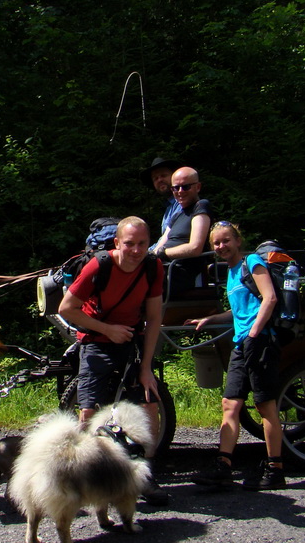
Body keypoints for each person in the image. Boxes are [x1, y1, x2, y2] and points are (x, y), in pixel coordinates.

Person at [58, 216, 169, 506]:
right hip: (97, 341)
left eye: (142, 244)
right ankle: (86, 479)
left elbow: (155, 316)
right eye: (129, 244)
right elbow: (67, 308)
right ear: (117, 243)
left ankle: (144, 477)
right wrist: (108, 330)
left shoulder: (152, 266)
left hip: (131, 340)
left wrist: (146, 368)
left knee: (148, 404)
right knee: (88, 414)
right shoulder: (100, 265)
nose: (136, 250)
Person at [185, 221, 287, 491]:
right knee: (230, 405)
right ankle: (223, 467)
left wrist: (254, 332)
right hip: (241, 344)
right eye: (217, 243)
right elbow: (239, 312)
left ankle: (275, 469)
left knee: (266, 407)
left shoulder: (252, 262)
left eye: (226, 240)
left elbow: (270, 298)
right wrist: (209, 319)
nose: (221, 246)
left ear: (238, 240)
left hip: (260, 341)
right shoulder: (231, 272)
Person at [151, 166, 213, 297]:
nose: (180, 191)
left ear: (198, 187)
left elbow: (195, 247)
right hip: (164, 267)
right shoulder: (177, 214)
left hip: (179, 271)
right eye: (175, 188)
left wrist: (162, 253)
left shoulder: (200, 206)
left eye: (185, 187)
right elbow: (162, 242)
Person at [139, 156, 184, 239]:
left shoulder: (181, 202)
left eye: (163, 175)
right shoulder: (169, 207)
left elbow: (171, 237)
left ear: (174, 176)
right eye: (155, 178)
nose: (159, 180)